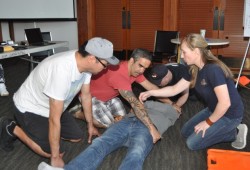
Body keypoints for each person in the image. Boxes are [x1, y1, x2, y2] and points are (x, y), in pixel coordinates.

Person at [37, 48, 174, 170]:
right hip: (92, 98)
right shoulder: (119, 72)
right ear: (132, 60)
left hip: (110, 98)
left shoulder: (137, 72)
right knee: (109, 125)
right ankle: (79, 112)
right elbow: (134, 103)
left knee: (122, 121)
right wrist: (151, 127)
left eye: (145, 68)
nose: (142, 70)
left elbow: (151, 88)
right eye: (140, 66)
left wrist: (171, 103)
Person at [0, 37, 119, 168]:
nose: (106, 68)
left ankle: (43, 132)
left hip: (53, 106)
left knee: (77, 137)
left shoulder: (85, 65)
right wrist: (55, 157)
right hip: (30, 107)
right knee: (52, 152)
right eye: (105, 64)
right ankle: (11, 127)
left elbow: (86, 96)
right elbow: (54, 119)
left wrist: (90, 125)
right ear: (92, 58)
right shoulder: (62, 70)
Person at [139, 33, 248, 150]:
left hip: (229, 115)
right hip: (213, 109)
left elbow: (225, 103)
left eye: (184, 52)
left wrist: (208, 123)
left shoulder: (213, 69)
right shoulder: (193, 69)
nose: (182, 56)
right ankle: (219, 128)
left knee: (192, 144)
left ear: (196, 52)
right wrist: (151, 93)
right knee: (186, 132)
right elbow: (174, 89)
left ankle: (235, 131)